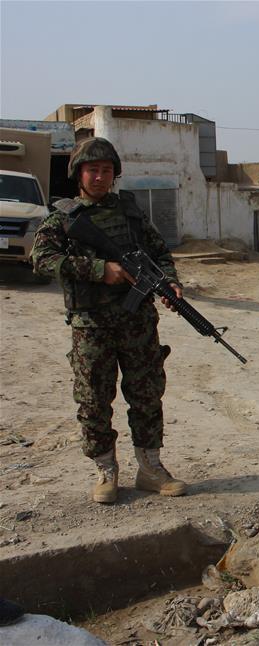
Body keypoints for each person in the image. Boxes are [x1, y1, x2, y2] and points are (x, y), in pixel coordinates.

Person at [30, 137, 187, 503]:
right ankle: (105, 471)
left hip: (137, 323)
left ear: (114, 175)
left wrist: (171, 283)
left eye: (106, 171)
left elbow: (159, 252)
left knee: (147, 394)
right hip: (92, 325)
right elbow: (42, 259)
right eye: (92, 170)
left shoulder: (131, 213)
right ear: (78, 174)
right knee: (94, 400)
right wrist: (100, 270)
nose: (100, 177)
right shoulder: (64, 218)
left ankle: (150, 468)